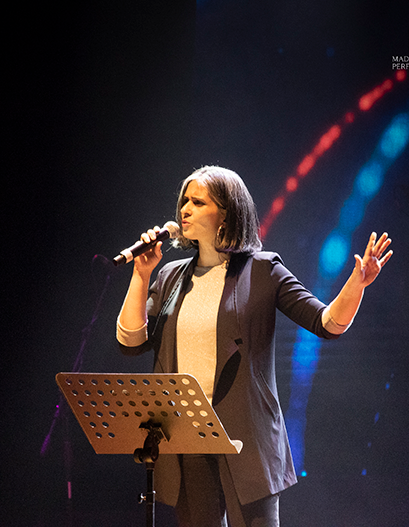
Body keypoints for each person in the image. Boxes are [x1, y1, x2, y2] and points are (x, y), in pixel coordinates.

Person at [116, 166, 392, 527]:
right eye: (184, 201)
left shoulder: (263, 270)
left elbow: (326, 323)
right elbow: (131, 341)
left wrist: (357, 283)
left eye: (198, 202)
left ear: (226, 214)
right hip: (188, 436)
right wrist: (141, 275)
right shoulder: (170, 276)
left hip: (246, 438)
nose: (184, 209)